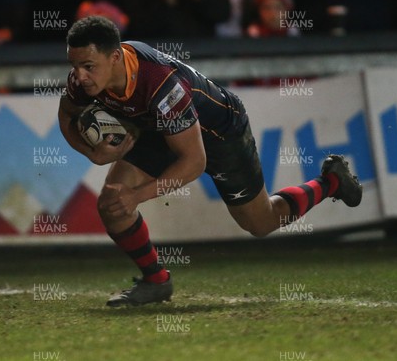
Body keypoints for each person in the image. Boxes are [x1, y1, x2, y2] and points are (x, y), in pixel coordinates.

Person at [58, 16, 363, 307]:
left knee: (261, 222)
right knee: (111, 202)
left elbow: (193, 162)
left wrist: (136, 196)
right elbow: (67, 114)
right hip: (157, 129)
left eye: (88, 67)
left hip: (220, 133)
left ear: (114, 58)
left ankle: (332, 181)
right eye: (75, 66)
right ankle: (156, 282)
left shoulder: (162, 86)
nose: (80, 76)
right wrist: (92, 154)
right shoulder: (84, 79)